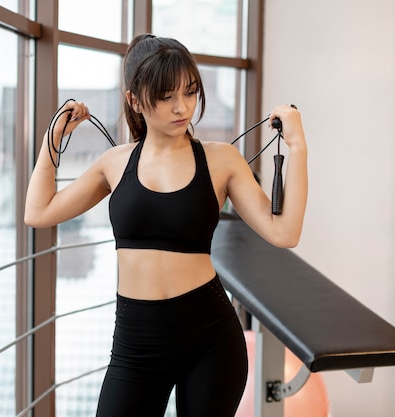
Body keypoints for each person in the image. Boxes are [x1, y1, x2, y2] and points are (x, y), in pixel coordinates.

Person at [24, 33, 307, 417]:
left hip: (210, 340)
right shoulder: (115, 162)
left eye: (190, 93)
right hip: (135, 344)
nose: (182, 107)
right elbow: (38, 213)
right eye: (166, 97)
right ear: (135, 100)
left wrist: (298, 148)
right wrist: (53, 137)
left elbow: (283, 232)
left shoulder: (221, 160)